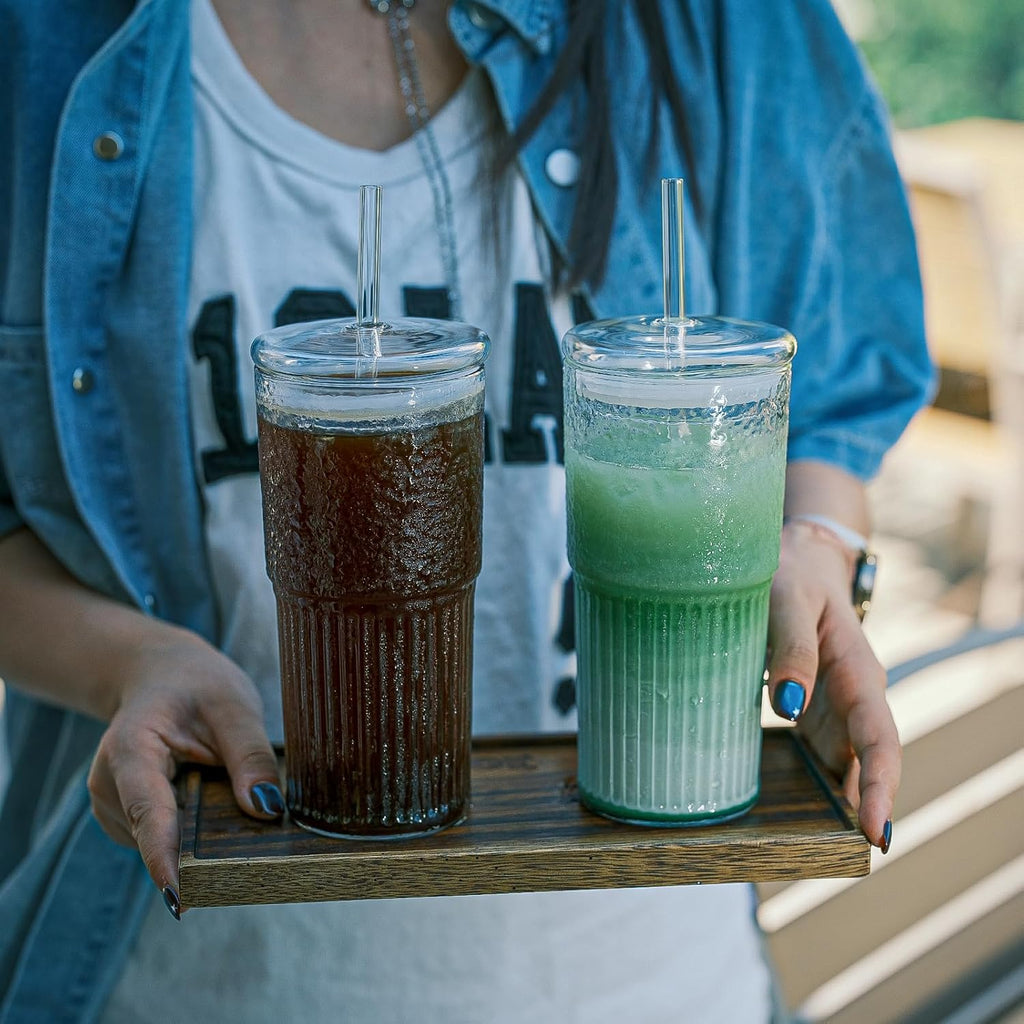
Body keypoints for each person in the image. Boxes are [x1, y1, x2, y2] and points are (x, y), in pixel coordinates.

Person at [0, 0, 931, 1021]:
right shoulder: (42, 35)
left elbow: (832, 395)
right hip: (190, 976)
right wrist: (127, 659)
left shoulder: (720, 18)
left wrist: (810, 553)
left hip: (650, 975)